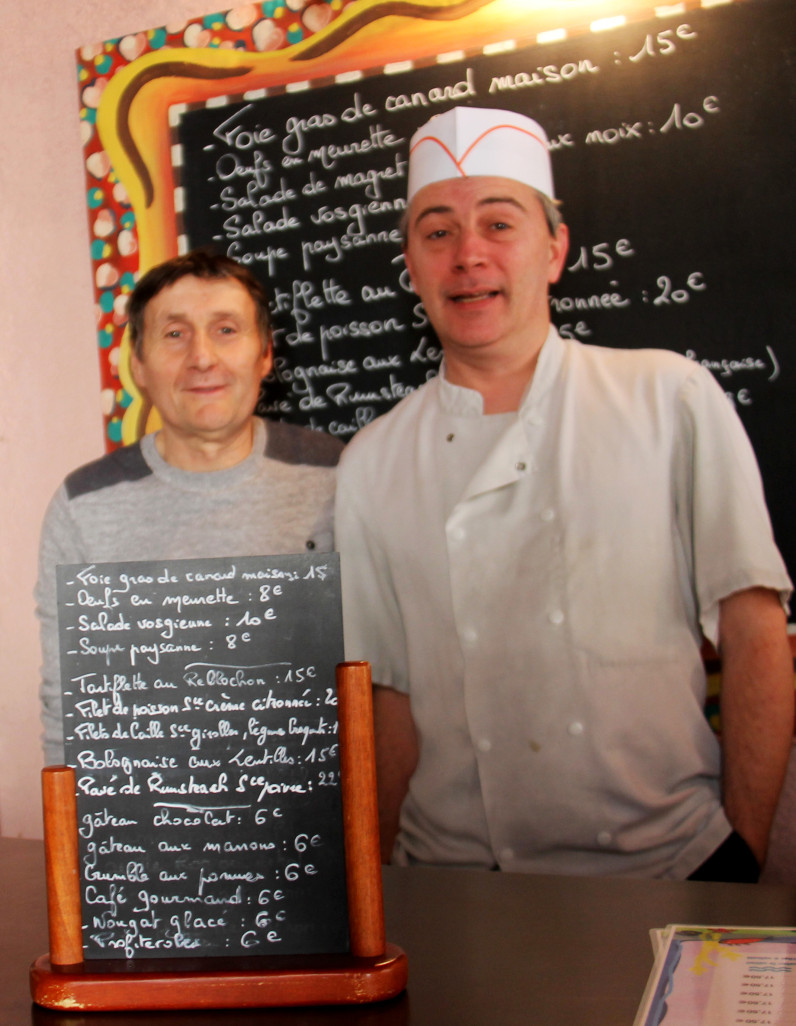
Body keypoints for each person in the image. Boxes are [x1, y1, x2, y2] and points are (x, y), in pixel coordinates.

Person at [335, 106, 794, 880]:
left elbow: (756, 635)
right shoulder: (373, 462)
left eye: (499, 224)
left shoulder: (669, 397)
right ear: (410, 264)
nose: (467, 255)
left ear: (555, 249)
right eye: (437, 231)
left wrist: (743, 856)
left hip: (665, 867)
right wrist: (375, 894)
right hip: (454, 883)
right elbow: (389, 703)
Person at [37, 249, 342, 765]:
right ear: (138, 365)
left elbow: (387, 673)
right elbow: (67, 704)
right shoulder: (82, 504)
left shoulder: (340, 477)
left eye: (226, 330)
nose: (202, 358)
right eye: (174, 334)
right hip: (148, 818)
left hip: (313, 814)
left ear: (265, 353)